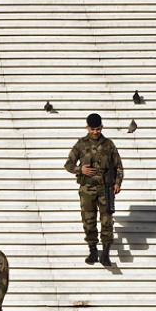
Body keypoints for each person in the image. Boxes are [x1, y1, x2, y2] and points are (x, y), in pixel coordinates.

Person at [64, 113, 124, 266]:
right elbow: (68, 164)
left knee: (107, 221)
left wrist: (117, 183)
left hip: (106, 189)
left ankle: (105, 253)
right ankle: (92, 251)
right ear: (87, 128)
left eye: (98, 129)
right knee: (89, 221)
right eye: (92, 129)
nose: (95, 132)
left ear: (102, 127)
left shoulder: (109, 144)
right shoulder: (81, 144)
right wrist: (80, 170)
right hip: (87, 189)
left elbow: (118, 167)